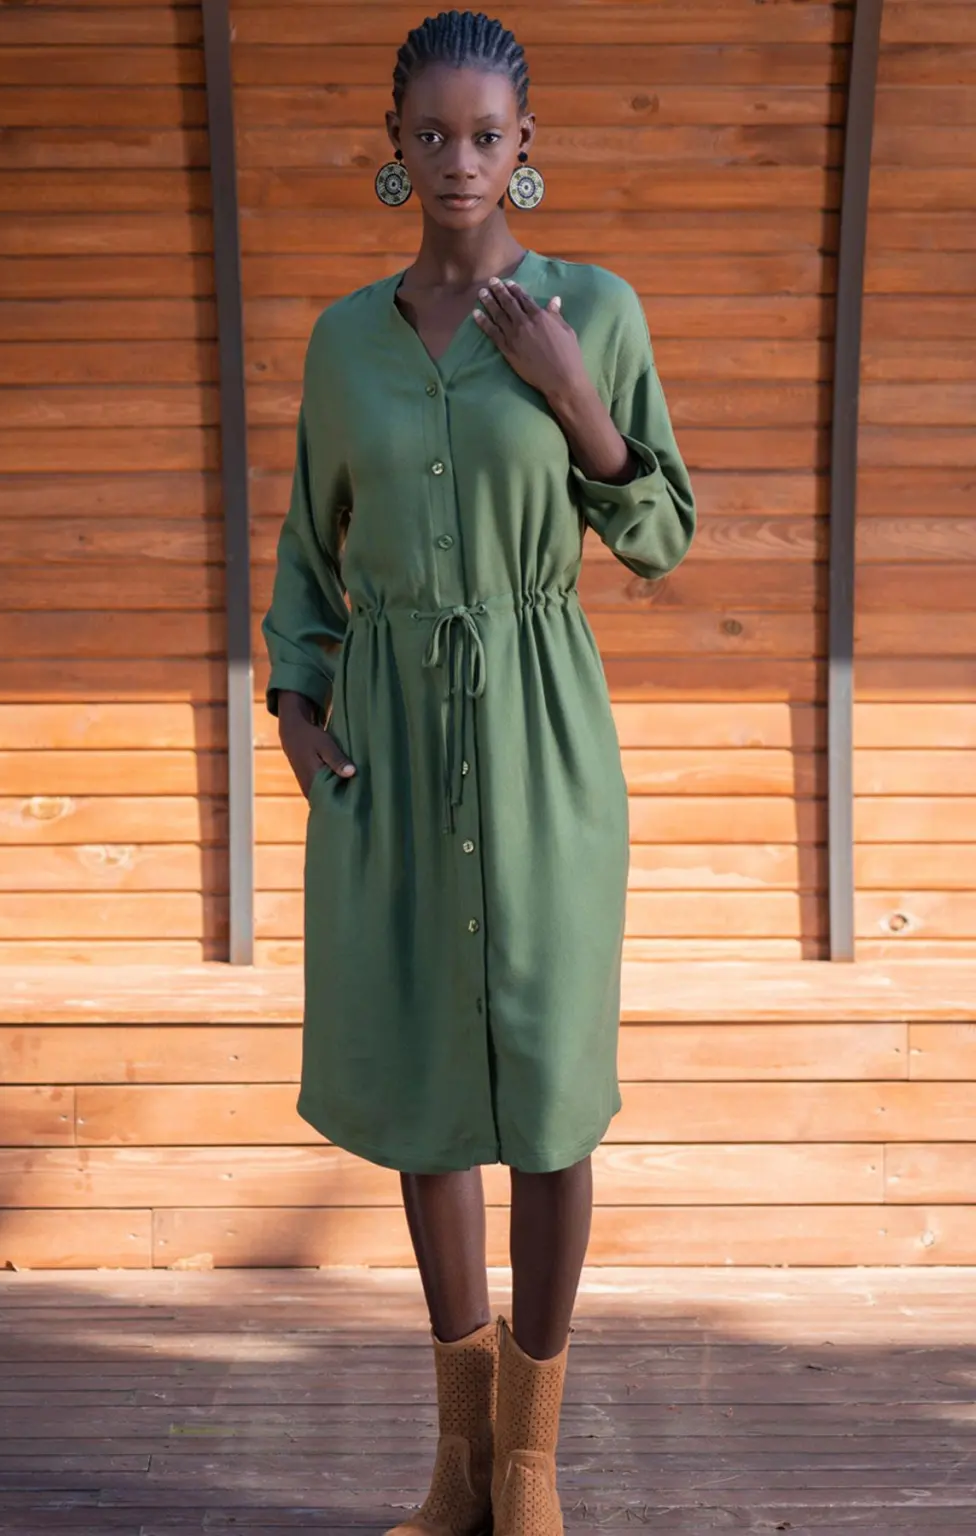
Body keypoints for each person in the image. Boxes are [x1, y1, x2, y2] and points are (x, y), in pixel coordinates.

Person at [262, 10, 696, 1534]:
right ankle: (458, 1468)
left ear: (526, 147)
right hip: (389, 743)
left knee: (553, 1094)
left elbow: (660, 537)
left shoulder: (596, 309)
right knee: (428, 1089)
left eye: (487, 135)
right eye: (433, 134)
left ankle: (529, 1469)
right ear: (395, 147)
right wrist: (296, 709)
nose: (460, 160)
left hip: (543, 733)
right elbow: (307, 550)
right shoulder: (345, 343)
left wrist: (574, 392)